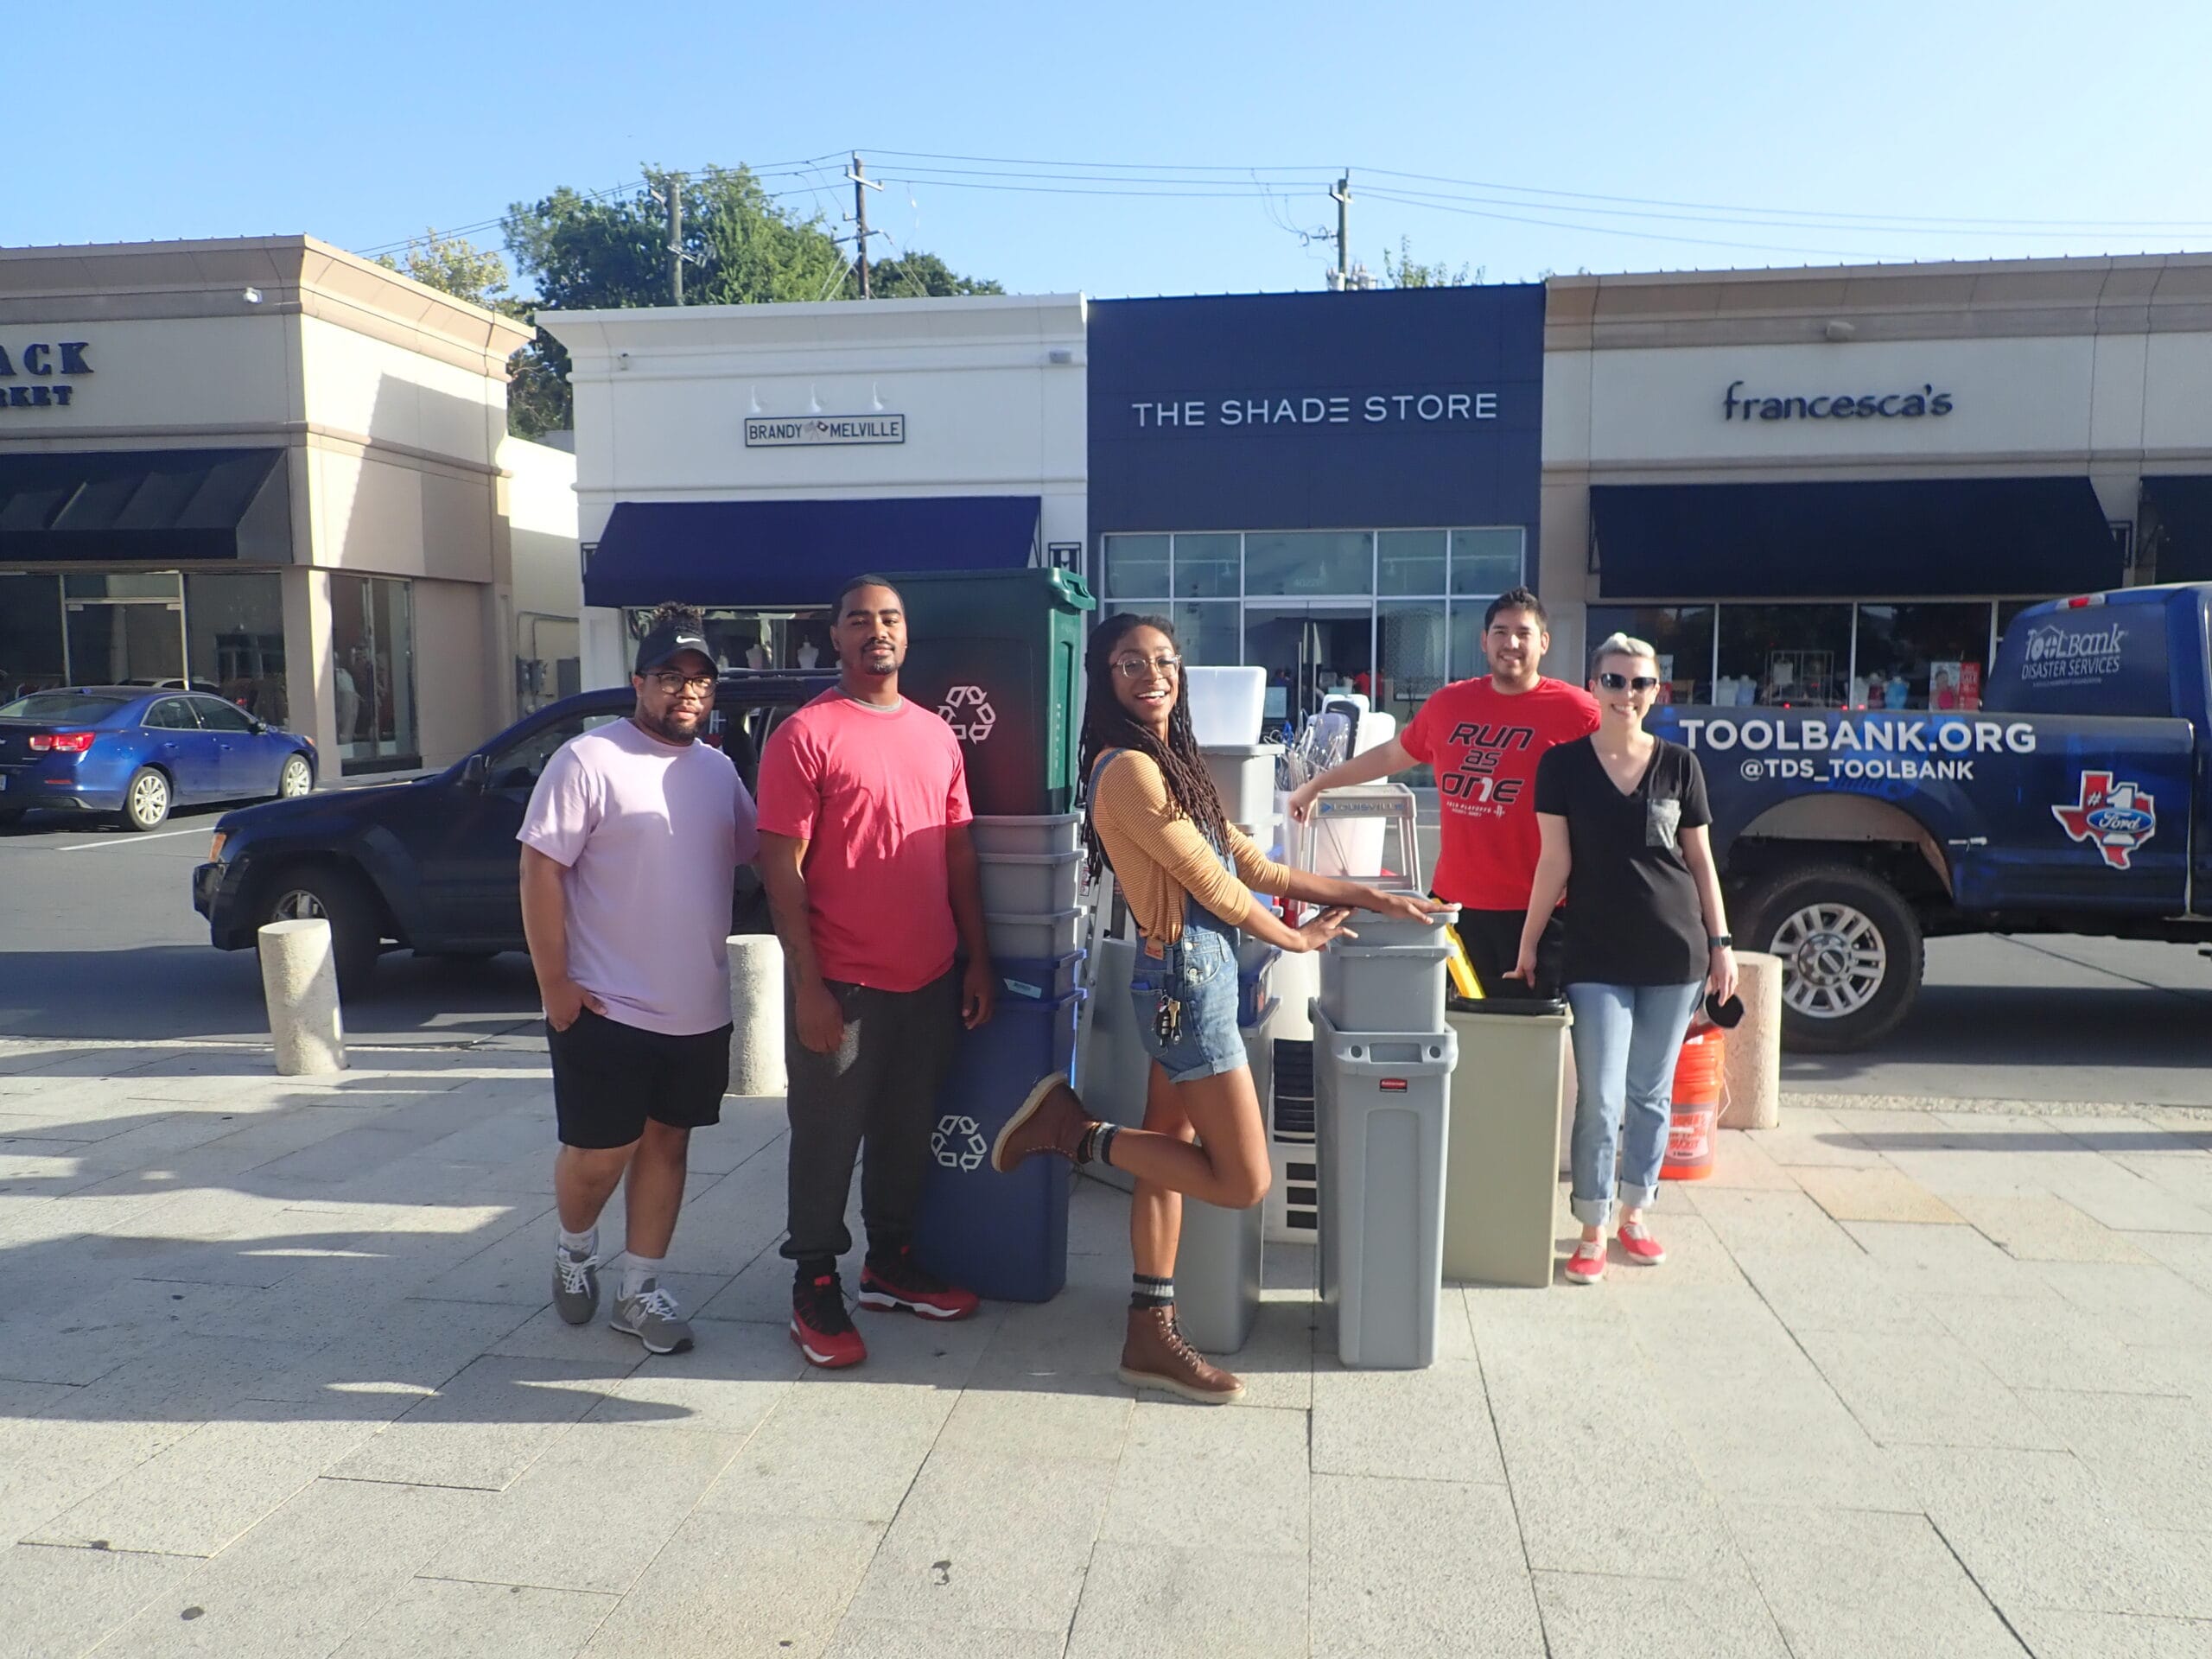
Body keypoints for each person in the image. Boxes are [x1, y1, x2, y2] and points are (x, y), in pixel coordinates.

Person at [991, 613, 1436, 1404]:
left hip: (1197, 976)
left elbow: (1256, 864)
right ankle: (1070, 1131)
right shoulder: (1127, 771)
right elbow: (1219, 890)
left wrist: (1364, 892)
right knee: (1240, 1180)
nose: (1152, 674)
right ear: (1105, 679)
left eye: (1164, 660)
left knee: (1166, 1155)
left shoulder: (1175, 763)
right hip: (1185, 986)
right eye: (1130, 664)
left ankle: (1147, 1332)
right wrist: (1296, 944)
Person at [757, 575, 996, 1370]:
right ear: (835, 637)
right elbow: (780, 869)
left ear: (906, 633)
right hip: (846, 987)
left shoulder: (937, 735)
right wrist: (809, 987)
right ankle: (814, 1282)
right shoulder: (805, 735)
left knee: (904, 1133)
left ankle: (889, 1265)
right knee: (826, 1142)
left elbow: (958, 853)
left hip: (928, 978)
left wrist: (977, 957)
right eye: (859, 620)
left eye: (889, 618)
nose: (876, 632)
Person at [519, 604, 757, 1355]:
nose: (686, 692)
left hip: (697, 1007)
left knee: (668, 1145)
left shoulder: (718, 772)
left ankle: (641, 1289)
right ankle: (575, 1246)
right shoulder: (588, 760)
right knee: (599, 1156)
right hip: (604, 1002)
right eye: (669, 678)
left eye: (700, 681)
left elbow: (765, 852)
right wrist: (554, 983)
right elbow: (540, 868)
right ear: (638, 683)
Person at [1512, 632, 1737, 1286]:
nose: (1626, 694)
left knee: (1650, 1095)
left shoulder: (1678, 766)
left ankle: (1635, 1215)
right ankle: (1591, 1226)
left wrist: (1721, 946)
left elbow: (1699, 862)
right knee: (1602, 1098)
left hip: (1676, 953)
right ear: (1593, 686)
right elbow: (1554, 861)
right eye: (1613, 681)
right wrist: (1529, 945)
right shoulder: (1563, 766)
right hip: (1594, 953)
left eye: (1639, 683)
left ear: (1655, 690)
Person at [1287, 587, 1598, 999]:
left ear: (1544, 642)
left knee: (1528, 1044)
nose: (1511, 643)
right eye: (1501, 632)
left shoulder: (1577, 710)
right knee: (1454, 1040)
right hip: (1454, 908)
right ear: (1484, 641)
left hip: (1538, 915)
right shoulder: (1450, 704)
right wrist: (1317, 785)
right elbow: (1392, 754)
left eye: (1523, 633)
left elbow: (1615, 776)